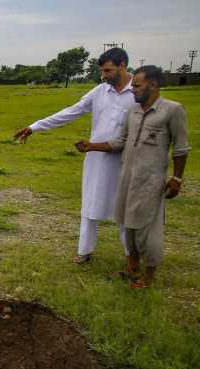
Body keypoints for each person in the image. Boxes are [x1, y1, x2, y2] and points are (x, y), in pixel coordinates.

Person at [14, 48, 135, 264]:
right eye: (102, 71)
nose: (104, 75)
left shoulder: (138, 90)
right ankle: (84, 250)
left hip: (128, 159)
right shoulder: (99, 92)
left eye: (108, 70)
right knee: (90, 203)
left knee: (125, 206)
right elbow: (72, 111)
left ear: (123, 65)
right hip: (96, 156)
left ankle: (131, 255)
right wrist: (35, 127)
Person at [75, 65, 189, 288]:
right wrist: (92, 146)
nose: (133, 90)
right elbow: (120, 142)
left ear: (153, 85)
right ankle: (131, 269)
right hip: (126, 177)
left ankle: (148, 277)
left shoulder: (172, 110)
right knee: (127, 225)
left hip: (150, 179)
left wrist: (176, 179)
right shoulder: (133, 112)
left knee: (147, 230)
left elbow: (181, 148)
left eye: (137, 86)